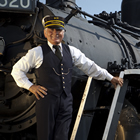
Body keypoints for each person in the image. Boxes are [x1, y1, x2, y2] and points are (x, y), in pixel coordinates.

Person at [11, 15, 123, 140]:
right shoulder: (37, 52)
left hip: (66, 101)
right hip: (46, 101)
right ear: (45, 33)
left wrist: (111, 78)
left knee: (63, 135)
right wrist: (30, 86)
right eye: (51, 30)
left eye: (58, 30)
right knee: (45, 135)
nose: (55, 34)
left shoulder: (72, 51)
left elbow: (91, 67)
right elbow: (17, 70)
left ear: (63, 32)